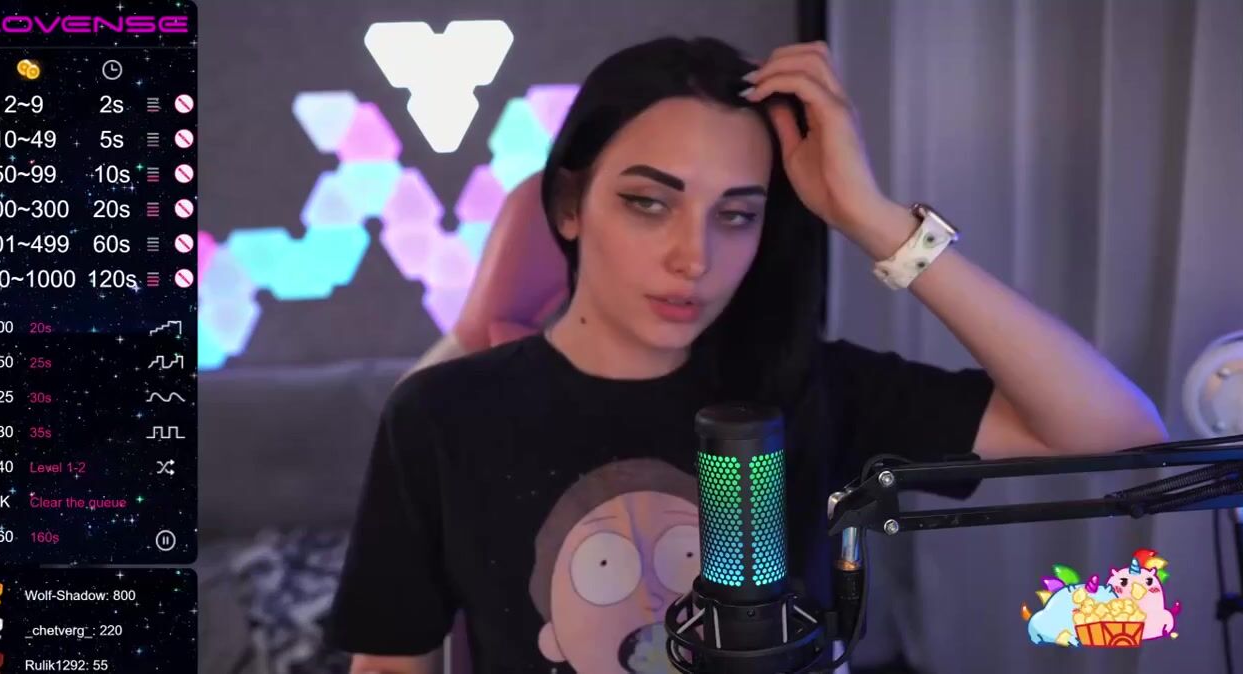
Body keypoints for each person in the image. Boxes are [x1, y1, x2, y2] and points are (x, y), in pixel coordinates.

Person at [328, 36, 1168, 674]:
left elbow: (1120, 435)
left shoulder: (813, 388)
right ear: (570, 205)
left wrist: (873, 218)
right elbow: (391, 662)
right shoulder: (442, 416)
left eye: (736, 215)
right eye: (649, 203)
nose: (693, 257)